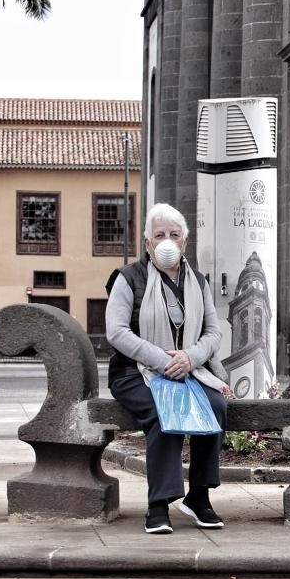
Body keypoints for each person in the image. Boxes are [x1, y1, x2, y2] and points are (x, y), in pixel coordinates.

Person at [105, 203, 228, 534]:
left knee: (214, 406)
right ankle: (158, 504)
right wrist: (164, 360)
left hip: (190, 370)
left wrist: (189, 358)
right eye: (159, 235)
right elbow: (116, 332)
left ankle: (199, 497)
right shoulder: (128, 278)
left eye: (174, 235)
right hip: (135, 373)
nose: (167, 242)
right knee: (165, 411)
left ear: (185, 242)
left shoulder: (198, 282)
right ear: (147, 243)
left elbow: (214, 332)